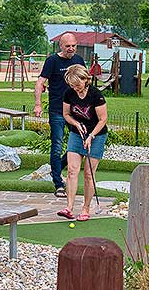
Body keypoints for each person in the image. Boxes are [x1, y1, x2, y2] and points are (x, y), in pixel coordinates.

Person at [34, 33, 85, 198]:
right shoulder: (52, 61)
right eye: (67, 46)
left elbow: (86, 83)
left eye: (73, 46)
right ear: (61, 46)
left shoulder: (78, 60)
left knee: (78, 144)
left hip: (76, 111)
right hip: (57, 109)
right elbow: (40, 82)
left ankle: (56, 169)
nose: (71, 49)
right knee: (56, 145)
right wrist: (38, 104)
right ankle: (58, 183)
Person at [57, 64, 108, 222]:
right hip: (76, 133)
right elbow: (66, 114)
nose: (75, 88)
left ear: (85, 79)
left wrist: (91, 136)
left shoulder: (95, 95)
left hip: (97, 135)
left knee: (88, 174)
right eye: (72, 85)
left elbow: (103, 119)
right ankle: (69, 207)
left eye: (77, 84)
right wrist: (76, 123)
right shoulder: (69, 93)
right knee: (72, 170)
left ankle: (85, 209)